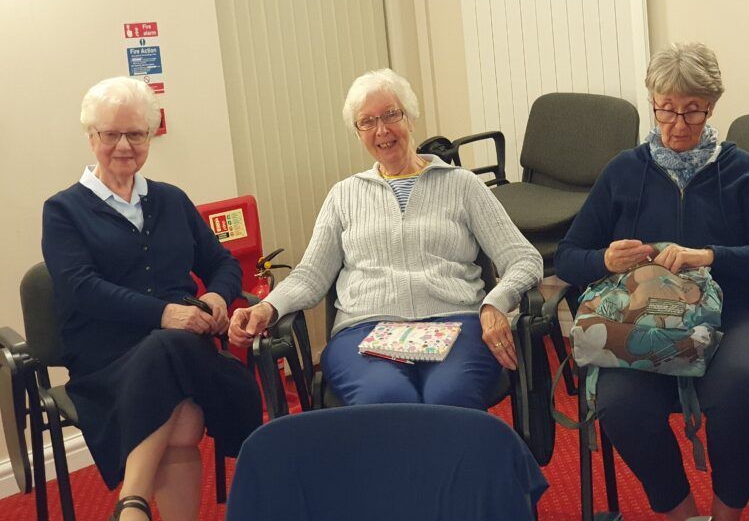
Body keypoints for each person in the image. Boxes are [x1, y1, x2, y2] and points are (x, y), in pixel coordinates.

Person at [555, 43, 749, 521]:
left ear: (713, 106)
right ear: (652, 104)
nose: (677, 123)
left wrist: (708, 255)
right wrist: (604, 261)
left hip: (738, 312)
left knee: (741, 386)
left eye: (692, 109)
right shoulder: (624, 171)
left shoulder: (737, 168)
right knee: (618, 403)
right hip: (646, 325)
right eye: (665, 108)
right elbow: (568, 256)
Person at [42, 77, 262, 521]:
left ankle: (134, 504)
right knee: (182, 398)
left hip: (179, 347)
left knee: (176, 371)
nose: (124, 146)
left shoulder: (171, 200)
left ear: (150, 136)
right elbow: (80, 288)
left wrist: (214, 294)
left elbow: (223, 262)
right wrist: (165, 312)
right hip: (106, 358)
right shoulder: (63, 210)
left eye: (136, 134)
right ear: (91, 136)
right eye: (112, 134)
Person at [229, 68, 542, 409]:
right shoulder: (344, 195)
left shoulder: (461, 184)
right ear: (358, 133)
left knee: (448, 400)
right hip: (364, 332)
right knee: (387, 401)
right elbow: (311, 275)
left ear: (410, 118)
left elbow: (524, 258)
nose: (382, 130)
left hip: (455, 324)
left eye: (391, 115)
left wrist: (494, 304)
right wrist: (267, 307)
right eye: (367, 122)